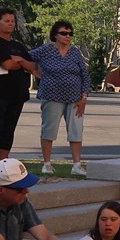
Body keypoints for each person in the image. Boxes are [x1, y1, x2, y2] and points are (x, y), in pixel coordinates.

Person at [30, 20, 90, 176]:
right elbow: (26, 57)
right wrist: (34, 71)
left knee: (76, 131)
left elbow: (85, 75)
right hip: (51, 96)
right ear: (55, 35)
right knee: (49, 130)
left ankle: (77, 165)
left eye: (70, 33)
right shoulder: (46, 50)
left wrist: (84, 97)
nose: (68, 36)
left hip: (75, 99)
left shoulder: (75, 52)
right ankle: (47, 164)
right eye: (64, 33)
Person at [0, 8, 36, 162]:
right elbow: (8, 65)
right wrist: (16, 62)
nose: (10, 24)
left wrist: (19, 59)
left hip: (17, 93)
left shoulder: (18, 45)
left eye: (12, 21)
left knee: (9, 127)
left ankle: (2, 161)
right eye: (7, 21)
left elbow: (32, 66)